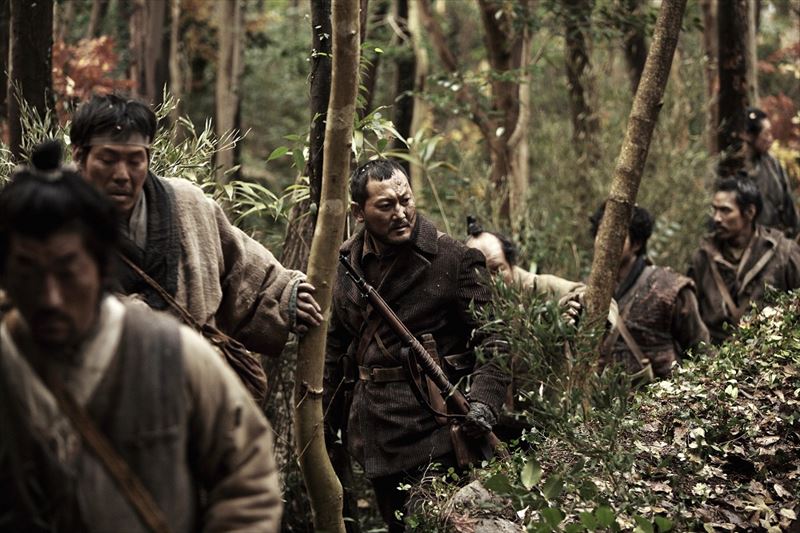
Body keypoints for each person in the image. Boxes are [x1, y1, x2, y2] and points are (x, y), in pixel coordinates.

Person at [0, 142, 282, 532]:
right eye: (28, 272)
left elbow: (248, 478)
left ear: (100, 266)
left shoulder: (172, 353)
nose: (50, 297)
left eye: (67, 272)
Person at [324, 159, 509, 532]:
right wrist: (324, 423)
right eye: (386, 206)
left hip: (436, 429)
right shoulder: (347, 262)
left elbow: (497, 335)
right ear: (359, 213)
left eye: (405, 200)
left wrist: (485, 401)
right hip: (375, 431)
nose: (401, 213)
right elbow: (335, 347)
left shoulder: (453, 258)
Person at [69, 93, 322, 361]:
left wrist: (286, 296)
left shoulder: (187, 203)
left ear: (148, 158)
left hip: (194, 373)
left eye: (134, 161)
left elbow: (241, 264)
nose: (122, 175)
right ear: (79, 156)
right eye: (108, 160)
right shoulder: (53, 220)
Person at [589, 204, 709, 378]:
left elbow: (701, 349)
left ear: (637, 243)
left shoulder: (669, 288)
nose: (605, 241)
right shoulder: (590, 290)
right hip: (602, 393)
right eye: (601, 232)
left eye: (616, 234)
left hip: (660, 392)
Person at [689, 178, 800, 343]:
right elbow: (691, 320)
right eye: (715, 210)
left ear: (749, 212)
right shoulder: (703, 257)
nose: (716, 218)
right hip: (714, 353)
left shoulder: (783, 252)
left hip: (768, 350)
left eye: (725, 211)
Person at [742, 107, 798, 236]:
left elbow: (788, 204)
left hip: (776, 237)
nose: (771, 138)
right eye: (766, 134)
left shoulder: (773, 164)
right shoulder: (735, 167)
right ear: (748, 136)